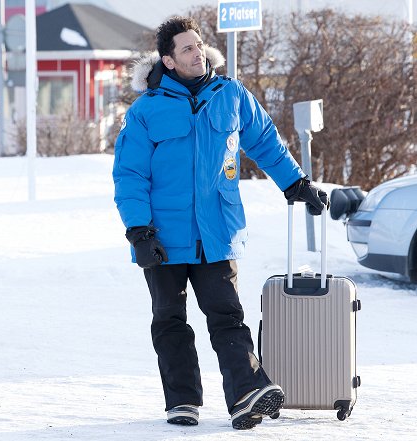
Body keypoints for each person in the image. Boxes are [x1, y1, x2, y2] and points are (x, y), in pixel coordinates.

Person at [112, 16, 328, 430]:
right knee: (169, 319)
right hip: (162, 235)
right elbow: (130, 175)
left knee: (227, 315)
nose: (198, 53)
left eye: (199, 45)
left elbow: (264, 140)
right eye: (187, 48)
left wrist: (296, 183)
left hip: (217, 231)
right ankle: (182, 401)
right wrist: (138, 230)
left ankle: (247, 393)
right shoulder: (146, 111)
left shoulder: (229, 94)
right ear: (169, 61)